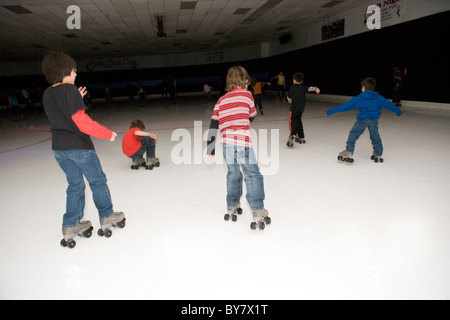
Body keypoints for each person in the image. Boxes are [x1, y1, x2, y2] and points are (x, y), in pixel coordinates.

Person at [41, 52, 125, 248]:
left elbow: (61, 113)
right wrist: (106, 133)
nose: (76, 74)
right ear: (65, 71)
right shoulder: (69, 91)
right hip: (79, 147)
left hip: (59, 149)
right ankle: (106, 216)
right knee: (97, 181)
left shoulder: (47, 93)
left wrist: (75, 98)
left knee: (75, 185)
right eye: (73, 70)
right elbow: (82, 122)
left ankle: (71, 224)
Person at [207, 66, 270, 230]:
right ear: (244, 81)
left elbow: (214, 124)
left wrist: (210, 148)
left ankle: (232, 205)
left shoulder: (221, 100)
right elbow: (252, 116)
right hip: (242, 141)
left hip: (226, 143)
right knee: (252, 174)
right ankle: (257, 209)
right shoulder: (248, 95)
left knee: (233, 173)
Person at [326, 77, 402, 163]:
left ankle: (349, 151)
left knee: (353, 134)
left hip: (362, 120)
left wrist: (332, 110)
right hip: (374, 120)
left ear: (364, 88)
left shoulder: (360, 97)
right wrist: (398, 111)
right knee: (375, 136)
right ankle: (378, 153)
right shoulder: (378, 98)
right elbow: (389, 104)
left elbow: (346, 105)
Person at [286, 72, 320, 147]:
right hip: (301, 109)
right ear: (301, 81)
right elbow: (309, 88)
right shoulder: (303, 88)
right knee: (299, 120)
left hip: (294, 108)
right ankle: (301, 136)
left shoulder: (292, 87)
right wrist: (315, 88)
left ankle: (292, 135)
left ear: (294, 80)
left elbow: (289, 98)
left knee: (293, 121)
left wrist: (291, 101)